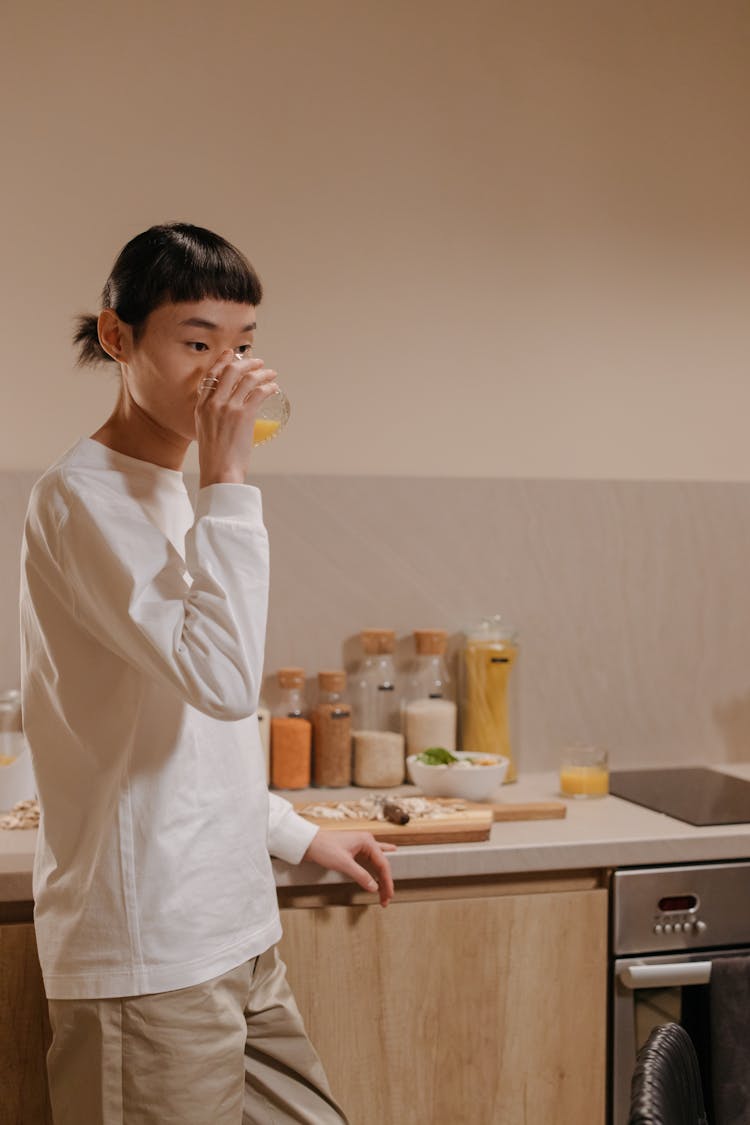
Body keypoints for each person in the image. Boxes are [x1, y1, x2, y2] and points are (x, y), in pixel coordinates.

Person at [20, 221, 396, 1125]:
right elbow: (225, 679)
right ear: (118, 338)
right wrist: (228, 475)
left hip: (235, 931)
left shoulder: (170, 492)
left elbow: (188, 727)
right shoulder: (81, 499)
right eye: (197, 344)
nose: (227, 374)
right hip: (150, 951)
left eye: (244, 347)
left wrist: (292, 830)